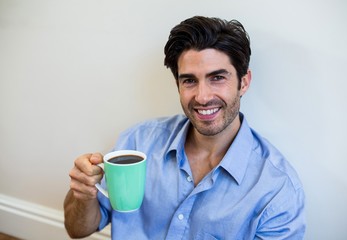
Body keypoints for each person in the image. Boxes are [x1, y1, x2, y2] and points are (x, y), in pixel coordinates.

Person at [64, 16, 306, 239]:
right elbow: (77, 230)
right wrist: (84, 195)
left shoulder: (277, 190)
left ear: (243, 82)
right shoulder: (138, 142)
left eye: (217, 78)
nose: (202, 97)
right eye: (189, 80)